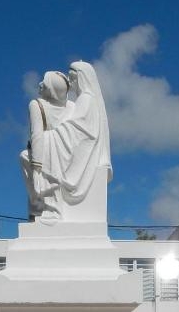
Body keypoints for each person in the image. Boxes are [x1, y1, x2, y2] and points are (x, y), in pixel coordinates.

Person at [36, 60, 112, 211]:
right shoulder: (83, 100)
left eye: (72, 78)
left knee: (39, 145)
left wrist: (48, 137)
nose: (70, 82)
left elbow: (78, 129)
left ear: (82, 79)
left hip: (80, 147)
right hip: (77, 143)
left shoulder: (86, 99)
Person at [20, 70, 72, 219]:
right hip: (69, 156)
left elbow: (36, 135)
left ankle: (37, 204)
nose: (40, 84)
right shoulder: (73, 107)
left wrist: (37, 168)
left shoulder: (36, 104)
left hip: (48, 155)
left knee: (24, 156)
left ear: (51, 90)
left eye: (45, 82)